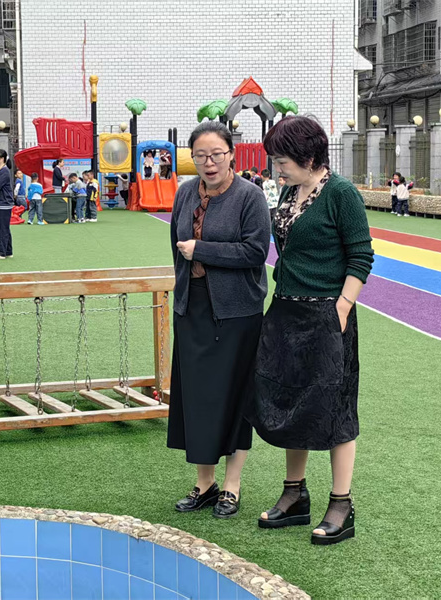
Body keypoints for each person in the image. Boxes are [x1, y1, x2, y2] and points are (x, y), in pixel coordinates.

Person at [249, 116, 374, 545]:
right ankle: (294, 495)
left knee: (336, 407)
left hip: (326, 316)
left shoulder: (341, 193)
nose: (276, 169)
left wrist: (342, 306)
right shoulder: (290, 191)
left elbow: (361, 256)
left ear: (308, 156)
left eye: (282, 161)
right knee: (289, 401)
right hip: (286, 311)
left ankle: (341, 503)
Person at [169, 121, 271, 519]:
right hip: (191, 308)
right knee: (196, 397)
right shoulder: (184, 193)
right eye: (200, 156)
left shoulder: (250, 196)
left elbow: (255, 252)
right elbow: (177, 247)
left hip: (237, 312)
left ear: (232, 154)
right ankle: (204, 483)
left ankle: (232, 486)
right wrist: (184, 287)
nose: (209, 163)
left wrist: (202, 250)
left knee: (234, 396)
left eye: (216, 154)